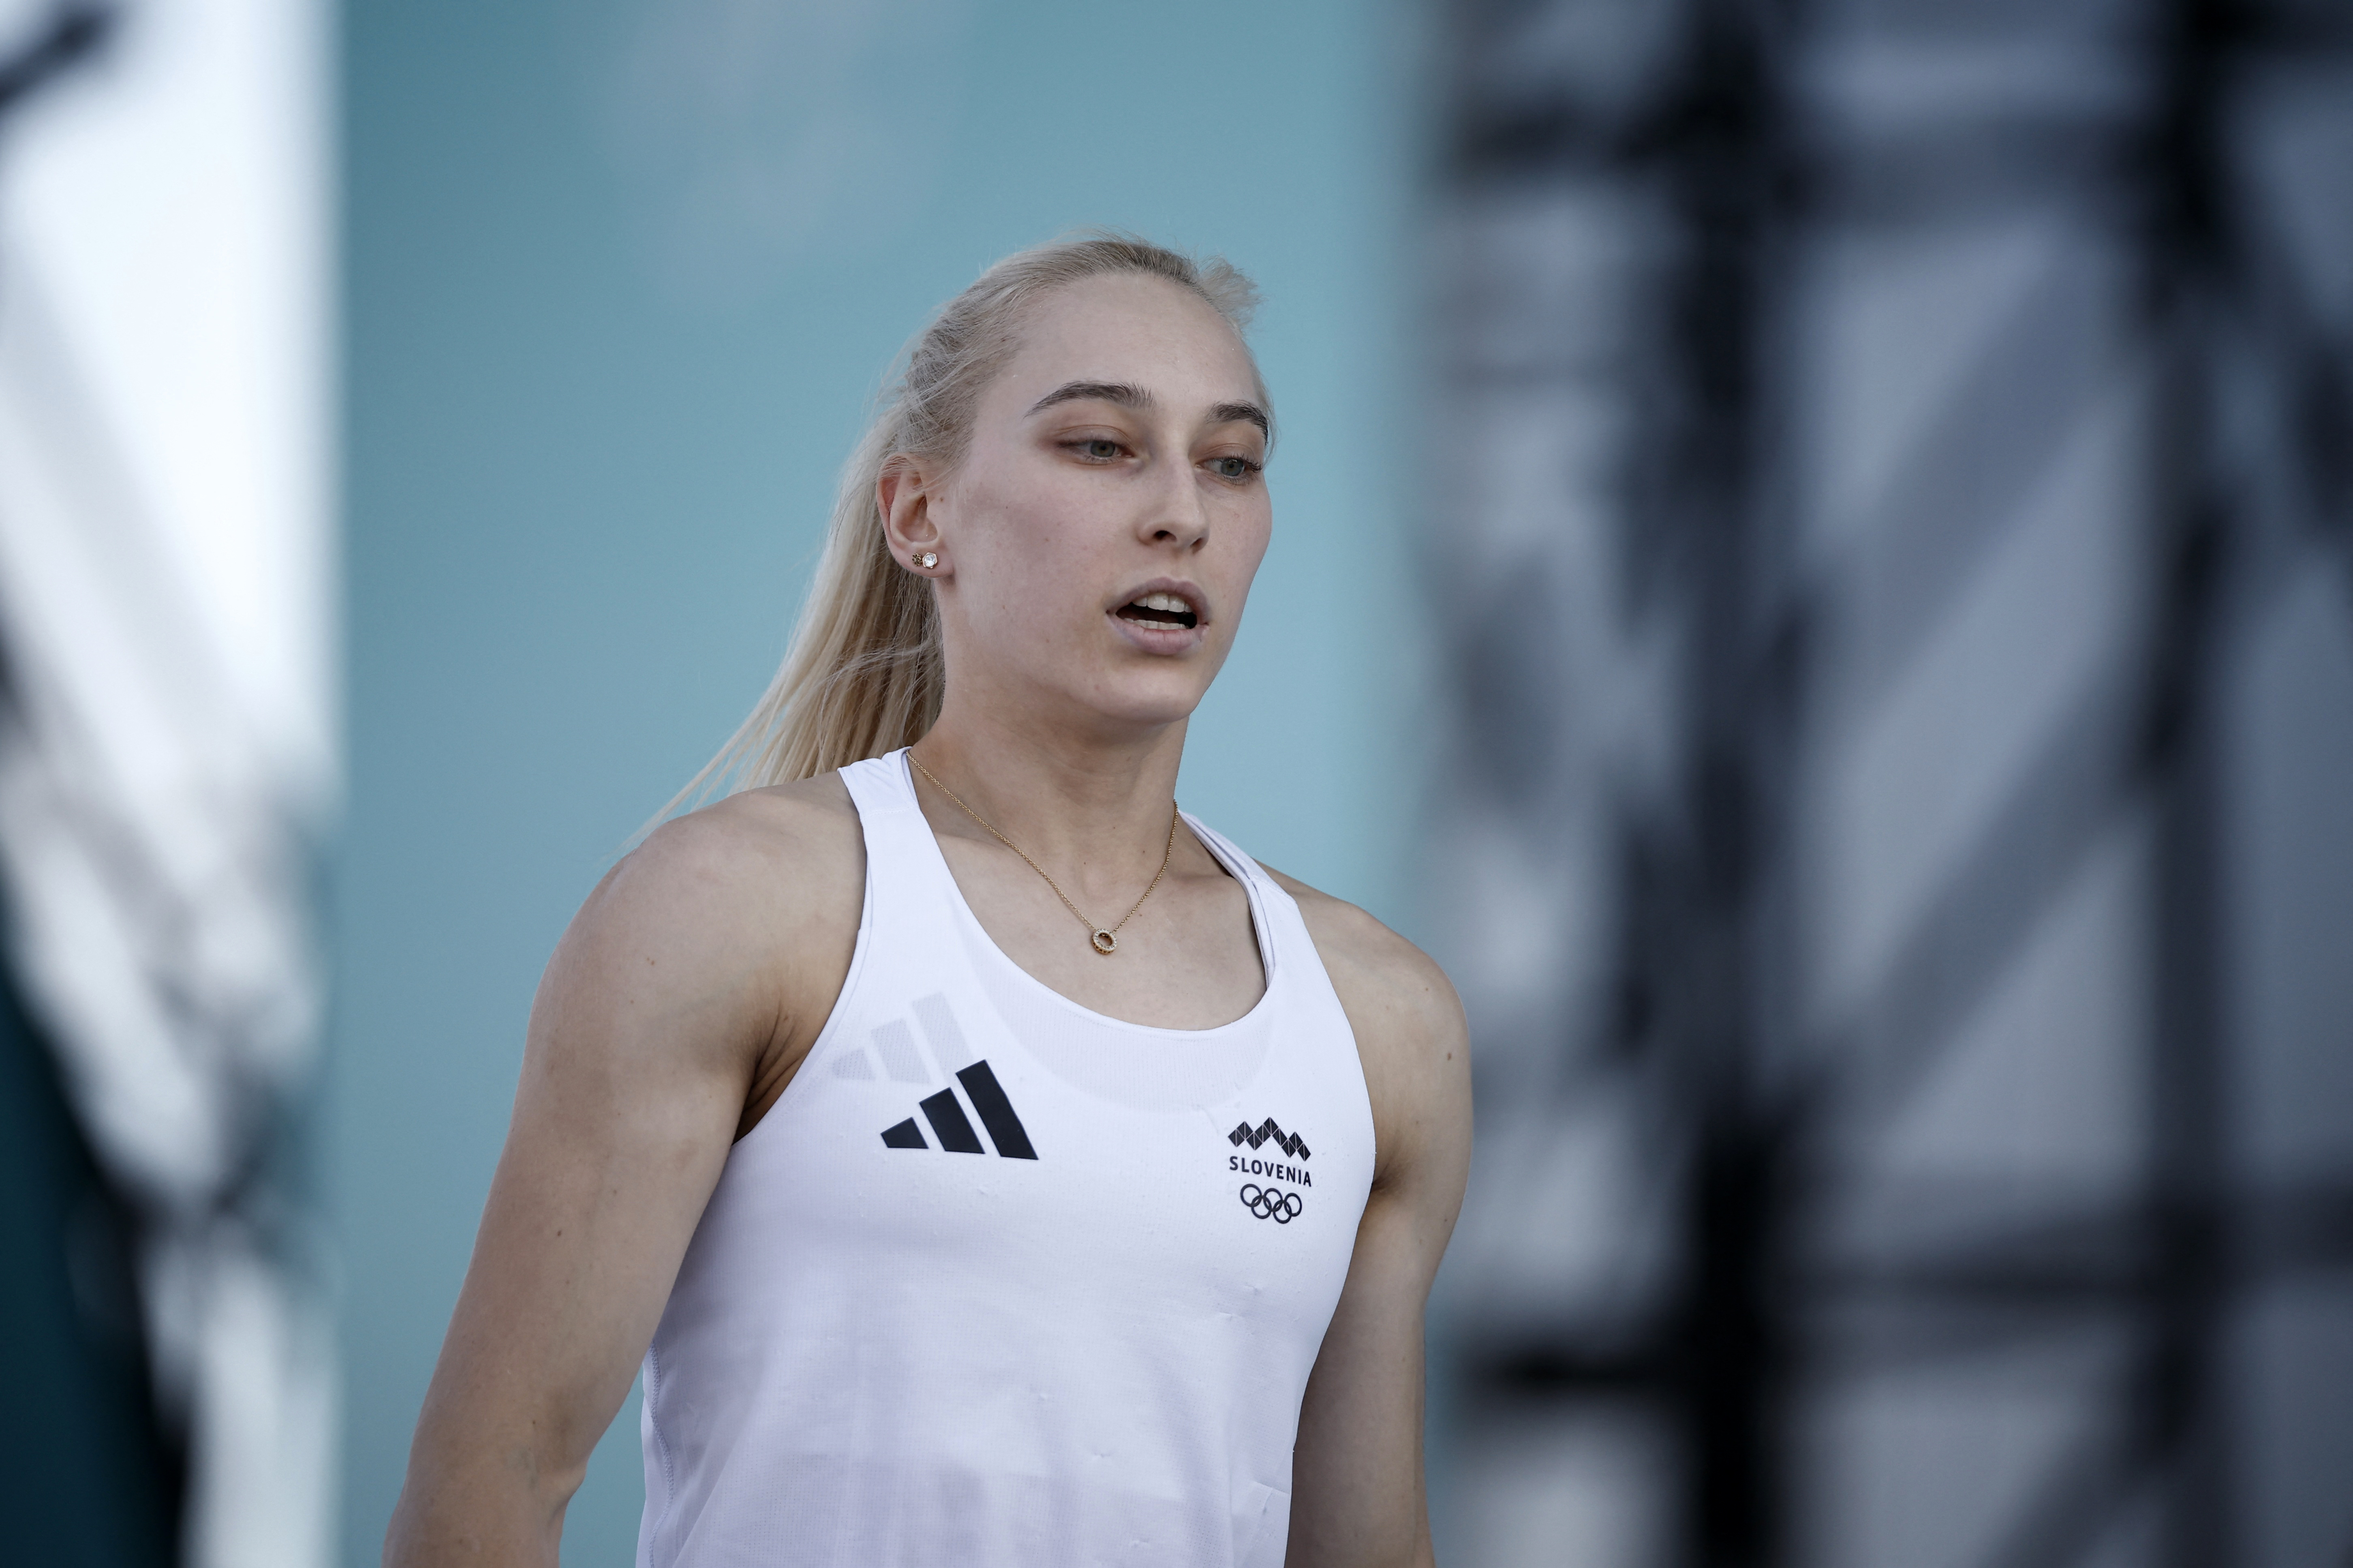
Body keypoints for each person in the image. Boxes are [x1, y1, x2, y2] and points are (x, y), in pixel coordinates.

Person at [383, 234, 1472, 1568]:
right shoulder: (737, 912)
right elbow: (490, 1486)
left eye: (1231, 462)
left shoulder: (1379, 1024)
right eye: (1100, 447)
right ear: (920, 515)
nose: (1183, 512)